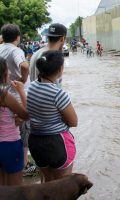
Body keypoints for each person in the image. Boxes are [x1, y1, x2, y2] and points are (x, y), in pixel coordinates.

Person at [27, 50, 78, 182]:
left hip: (35, 142)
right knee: (62, 187)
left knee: (47, 183)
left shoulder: (31, 88)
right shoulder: (58, 94)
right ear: (60, 69)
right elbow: (73, 122)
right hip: (57, 143)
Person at [0, 24, 30, 170]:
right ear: (18, 37)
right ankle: (23, 164)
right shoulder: (15, 50)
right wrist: (23, 80)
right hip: (16, 97)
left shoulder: (0, 48)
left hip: (3, 95)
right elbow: (24, 66)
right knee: (22, 135)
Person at [0, 57, 28, 186]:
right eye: (8, 70)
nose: (10, 73)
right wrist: (21, 91)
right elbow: (27, 115)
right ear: (3, 73)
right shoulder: (4, 96)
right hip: (9, 145)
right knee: (15, 189)